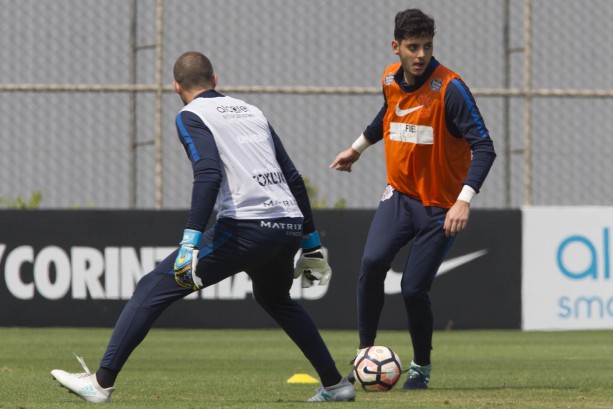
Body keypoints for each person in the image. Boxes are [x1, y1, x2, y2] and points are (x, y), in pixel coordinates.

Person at [51, 51, 355, 403]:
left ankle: (100, 384)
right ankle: (336, 384)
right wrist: (312, 243)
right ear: (215, 80)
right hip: (287, 225)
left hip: (247, 227)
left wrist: (189, 243)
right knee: (274, 297)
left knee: (151, 287)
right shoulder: (252, 111)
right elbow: (292, 177)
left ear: (175, 86)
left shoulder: (190, 115)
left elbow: (208, 173)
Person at [330, 9, 496, 390]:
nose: (420, 55)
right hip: (401, 196)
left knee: (412, 289)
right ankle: (364, 356)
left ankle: (421, 367)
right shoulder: (390, 77)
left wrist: (463, 201)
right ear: (396, 47)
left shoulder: (450, 88)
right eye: (413, 47)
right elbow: (388, 114)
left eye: (427, 47)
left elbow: (484, 147)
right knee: (371, 264)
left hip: (440, 208)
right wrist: (357, 148)